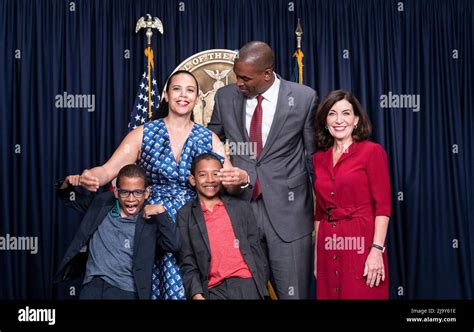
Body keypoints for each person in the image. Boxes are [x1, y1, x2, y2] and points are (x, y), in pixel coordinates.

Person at [77, 70, 250, 300]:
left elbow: (229, 183)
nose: (183, 95)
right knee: (149, 283)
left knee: (191, 283)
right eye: (177, 89)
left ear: (197, 97)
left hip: (192, 222)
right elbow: (109, 170)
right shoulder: (143, 133)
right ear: (166, 95)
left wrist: (241, 179)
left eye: (190, 90)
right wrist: (92, 176)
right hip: (151, 221)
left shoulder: (208, 138)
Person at [208, 41, 318, 299]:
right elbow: (210, 142)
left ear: (267, 74)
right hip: (240, 208)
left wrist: (324, 211)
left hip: (289, 215)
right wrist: (225, 166)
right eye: (237, 76)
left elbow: (314, 157)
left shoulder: (303, 98)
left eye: (245, 78)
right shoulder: (224, 97)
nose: (238, 83)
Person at [53, 164, 180, 299]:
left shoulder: (150, 220)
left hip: (126, 291)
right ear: (116, 192)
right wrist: (68, 182)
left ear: (147, 192)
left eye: (138, 192)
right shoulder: (102, 204)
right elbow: (67, 196)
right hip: (92, 288)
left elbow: (174, 244)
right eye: (125, 192)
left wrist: (162, 213)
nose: (131, 199)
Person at [312, 90, 391, 299]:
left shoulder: (372, 152)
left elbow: (383, 207)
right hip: (328, 244)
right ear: (325, 121)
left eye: (346, 113)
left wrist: (376, 250)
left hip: (362, 241)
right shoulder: (318, 159)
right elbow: (319, 213)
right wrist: (317, 257)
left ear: (356, 119)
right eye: (332, 114)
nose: (339, 120)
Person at [177, 153, 268, 300]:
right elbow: (188, 261)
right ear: (192, 180)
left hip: (248, 283)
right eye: (202, 175)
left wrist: (261, 286)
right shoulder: (185, 215)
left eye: (215, 174)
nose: (210, 180)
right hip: (214, 289)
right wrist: (196, 293)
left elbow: (256, 248)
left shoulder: (240, 207)